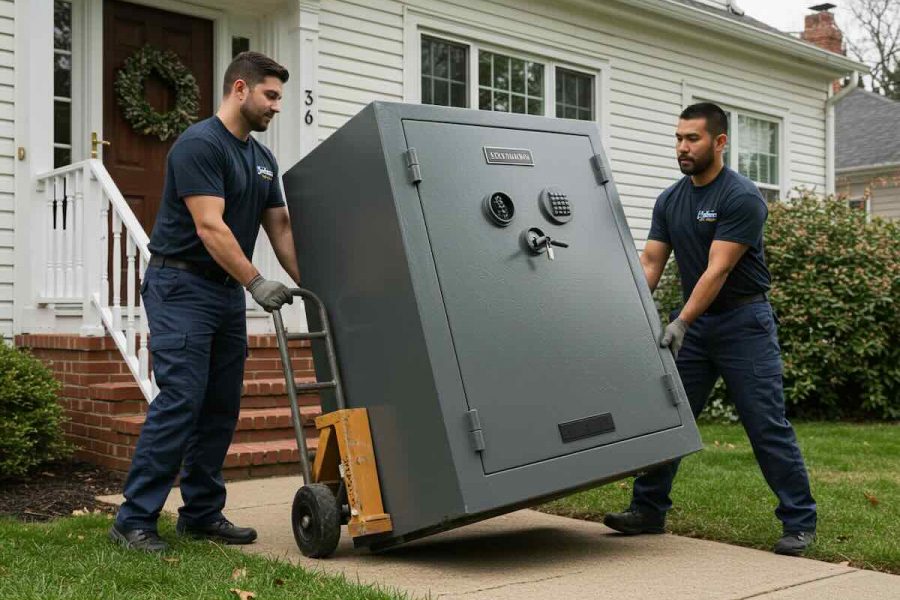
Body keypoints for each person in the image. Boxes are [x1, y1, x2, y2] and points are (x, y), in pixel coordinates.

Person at [603, 103, 817, 556]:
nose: (682, 147)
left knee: (765, 424)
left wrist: (681, 321)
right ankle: (648, 510)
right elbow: (651, 263)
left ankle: (799, 522)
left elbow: (717, 271)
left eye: (692, 139)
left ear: (719, 142)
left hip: (745, 323)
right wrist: (622, 316)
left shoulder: (740, 196)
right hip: (697, 327)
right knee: (670, 415)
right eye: (679, 138)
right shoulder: (670, 200)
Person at [109, 51, 301, 552]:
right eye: (271, 95)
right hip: (181, 286)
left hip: (222, 292)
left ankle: (200, 514)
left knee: (220, 406)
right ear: (240, 88)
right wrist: (258, 282)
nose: (277, 106)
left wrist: (315, 283)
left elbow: (278, 225)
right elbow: (209, 226)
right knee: (181, 400)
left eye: (280, 96)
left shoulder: (262, 160)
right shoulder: (199, 144)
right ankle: (133, 519)